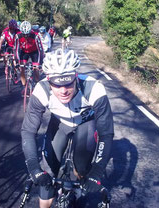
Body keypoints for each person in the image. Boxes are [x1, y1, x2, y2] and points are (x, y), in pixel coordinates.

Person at [21, 48, 114, 207]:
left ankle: (78, 182)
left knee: (82, 167)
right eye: (57, 85)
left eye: (68, 83)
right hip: (59, 123)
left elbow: (106, 134)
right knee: (47, 171)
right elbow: (28, 132)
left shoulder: (94, 88)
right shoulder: (41, 91)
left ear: (76, 77)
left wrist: (97, 171)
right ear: (48, 80)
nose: (63, 90)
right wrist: (34, 168)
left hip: (85, 123)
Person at [14, 21, 44, 90]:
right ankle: (24, 87)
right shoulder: (18, 36)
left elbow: (40, 50)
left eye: (27, 34)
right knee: (21, 68)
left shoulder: (36, 36)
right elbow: (16, 49)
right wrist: (16, 60)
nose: (26, 36)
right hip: (24, 52)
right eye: (24, 34)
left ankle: (37, 84)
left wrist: (40, 63)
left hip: (34, 52)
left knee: (36, 69)